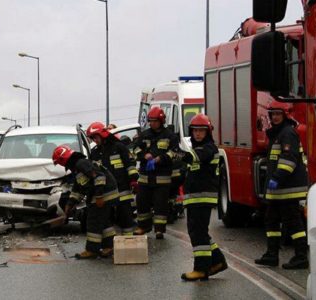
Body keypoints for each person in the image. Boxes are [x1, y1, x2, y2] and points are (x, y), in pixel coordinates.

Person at [254, 101, 309, 269]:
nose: (275, 117)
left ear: (285, 115)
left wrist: (277, 177)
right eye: (273, 114)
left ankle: (301, 257)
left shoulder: (287, 133)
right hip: (279, 189)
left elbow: (288, 160)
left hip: (288, 188)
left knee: (293, 222)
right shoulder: (278, 133)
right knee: (271, 220)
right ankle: (272, 254)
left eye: (278, 114)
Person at [180, 113, 228, 281]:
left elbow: (195, 157)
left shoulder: (209, 148)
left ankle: (201, 268)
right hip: (194, 198)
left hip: (202, 198)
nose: (198, 134)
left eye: (201, 131)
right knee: (199, 232)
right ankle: (217, 261)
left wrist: (177, 154)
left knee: (198, 232)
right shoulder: (196, 149)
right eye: (195, 131)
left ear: (208, 132)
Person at [53, 145, 120, 259]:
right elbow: (78, 189)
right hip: (105, 194)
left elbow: (99, 177)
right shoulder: (77, 167)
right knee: (104, 222)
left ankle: (92, 250)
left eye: (59, 163)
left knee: (93, 221)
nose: (61, 165)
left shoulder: (81, 164)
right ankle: (109, 247)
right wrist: (70, 204)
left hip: (103, 195)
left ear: (63, 159)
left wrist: (99, 196)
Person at [134, 106, 181, 239]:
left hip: (162, 177)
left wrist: (161, 158)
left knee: (161, 204)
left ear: (161, 121)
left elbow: (175, 152)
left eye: (155, 121)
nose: (152, 123)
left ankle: (159, 229)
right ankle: (143, 226)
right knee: (142, 202)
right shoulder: (144, 135)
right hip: (145, 177)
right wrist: (144, 155)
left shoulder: (170, 136)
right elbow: (135, 150)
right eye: (150, 121)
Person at [86, 122, 138, 236]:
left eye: (96, 137)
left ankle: (128, 243)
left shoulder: (118, 147)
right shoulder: (95, 153)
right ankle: (110, 245)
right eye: (92, 138)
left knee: (125, 216)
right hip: (106, 191)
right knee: (107, 219)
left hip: (122, 188)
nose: (95, 140)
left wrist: (134, 180)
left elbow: (130, 163)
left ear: (102, 134)